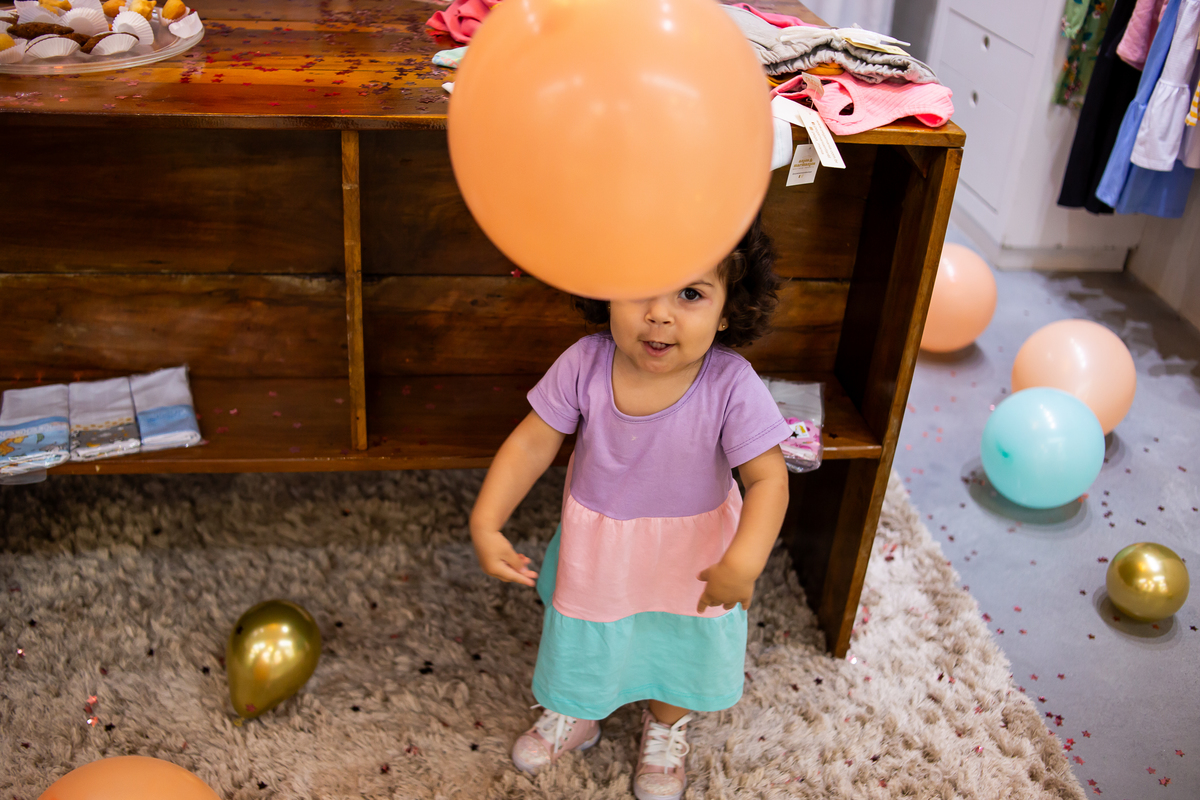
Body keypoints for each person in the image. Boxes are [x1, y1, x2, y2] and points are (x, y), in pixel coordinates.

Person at [468, 214, 792, 800]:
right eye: (641, 289)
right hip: (602, 547)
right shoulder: (585, 363)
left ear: (727, 311)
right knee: (588, 632)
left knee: (678, 639)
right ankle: (578, 711)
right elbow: (532, 443)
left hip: (692, 555)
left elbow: (768, 478)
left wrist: (745, 560)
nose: (659, 314)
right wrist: (486, 521)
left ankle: (666, 725)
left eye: (690, 294)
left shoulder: (732, 384)